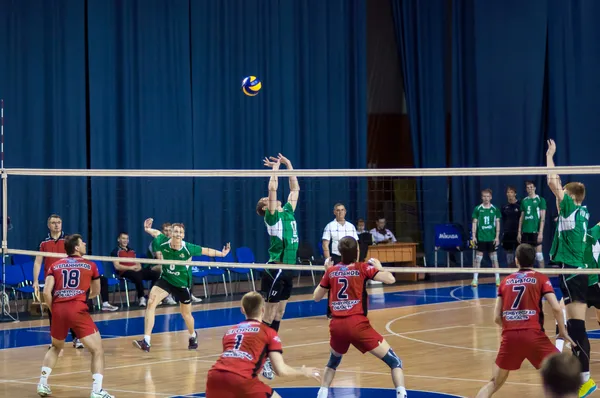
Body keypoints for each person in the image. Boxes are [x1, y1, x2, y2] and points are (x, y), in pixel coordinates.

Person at [312, 236, 407, 398]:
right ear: (357, 251)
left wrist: (326, 272)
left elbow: (316, 297)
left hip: (337, 326)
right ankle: (401, 394)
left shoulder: (331, 271)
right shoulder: (362, 268)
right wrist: (380, 268)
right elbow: (391, 279)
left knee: (333, 362)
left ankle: (322, 393)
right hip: (357, 325)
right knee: (395, 362)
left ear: (339, 252)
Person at [475, 244, 571, 398]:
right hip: (534, 335)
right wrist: (562, 331)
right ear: (534, 260)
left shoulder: (505, 282)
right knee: (560, 376)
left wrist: (512, 328)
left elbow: (496, 317)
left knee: (494, 382)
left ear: (516, 260)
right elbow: (557, 308)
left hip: (510, 337)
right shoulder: (541, 278)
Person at [133, 219, 230, 352]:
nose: (178, 234)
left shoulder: (188, 247)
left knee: (186, 315)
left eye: (181, 232)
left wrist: (222, 254)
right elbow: (156, 233)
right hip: (166, 279)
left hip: (182, 284)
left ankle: (193, 335)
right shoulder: (163, 242)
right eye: (176, 231)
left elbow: (206, 251)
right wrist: (147, 229)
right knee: (151, 302)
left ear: (183, 235)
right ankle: (146, 341)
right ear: (171, 233)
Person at [546, 138, 596, 397]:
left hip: (572, 271)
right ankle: (584, 379)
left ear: (571, 196)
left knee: (577, 327)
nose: (559, 196)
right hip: (582, 272)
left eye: (564, 194)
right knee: (575, 324)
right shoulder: (583, 213)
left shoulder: (569, 209)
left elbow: (552, 182)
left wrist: (550, 156)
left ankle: (585, 381)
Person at [36, 234, 114, 398]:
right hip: (77, 308)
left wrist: (54, 309)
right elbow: (96, 292)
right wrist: (80, 296)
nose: (85, 243)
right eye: (82, 242)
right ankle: (97, 390)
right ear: (77, 248)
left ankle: (42, 384)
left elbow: (46, 292)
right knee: (97, 350)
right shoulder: (90, 265)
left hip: (58, 309)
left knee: (55, 347)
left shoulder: (55, 265)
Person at [205, 291, 320, 398]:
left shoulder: (229, 332)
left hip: (214, 378)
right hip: (241, 379)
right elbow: (281, 370)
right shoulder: (268, 332)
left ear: (242, 310)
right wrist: (302, 372)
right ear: (263, 310)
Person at [33, 215, 117, 350]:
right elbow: (38, 262)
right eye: (54, 223)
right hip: (52, 279)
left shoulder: (68, 240)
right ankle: (55, 340)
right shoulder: (43, 243)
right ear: (48, 225)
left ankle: (76, 337)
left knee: (74, 309)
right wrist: (35, 280)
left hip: (67, 281)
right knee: (52, 311)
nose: (56, 225)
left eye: (59, 222)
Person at [255, 153, 299, 379]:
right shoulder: (271, 217)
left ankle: (270, 356)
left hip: (290, 269)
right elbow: (273, 189)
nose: (269, 198)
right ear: (265, 208)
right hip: (276, 268)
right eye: (266, 200)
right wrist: (275, 169)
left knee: (280, 312)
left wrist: (288, 165)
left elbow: (295, 189)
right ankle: (262, 357)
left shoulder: (288, 211)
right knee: (269, 314)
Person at [111, 232, 160, 307]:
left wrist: (139, 268)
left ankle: (152, 295)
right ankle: (141, 298)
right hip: (125, 271)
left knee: (156, 274)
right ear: (119, 239)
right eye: (123, 238)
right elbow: (117, 266)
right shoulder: (115, 251)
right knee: (137, 276)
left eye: (127, 239)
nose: (125, 240)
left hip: (136, 270)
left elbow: (138, 263)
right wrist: (130, 268)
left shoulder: (132, 250)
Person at [471, 189, 501, 287]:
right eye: (484, 196)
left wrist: (497, 237)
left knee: (494, 259)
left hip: (491, 238)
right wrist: (474, 236)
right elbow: (474, 223)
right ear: (481, 197)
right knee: (478, 259)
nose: (486, 198)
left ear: (491, 197)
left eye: (488, 196)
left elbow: (497, 223)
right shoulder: (478, 209)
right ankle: (475, 279)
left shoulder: (495, 209)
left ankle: (497, 279)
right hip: (481, 238)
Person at [518, 181, 547, 268]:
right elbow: (521, 217)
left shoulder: (540, 200)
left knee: (538, 255)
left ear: (535, 188)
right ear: (526, 189)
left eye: (531, 187)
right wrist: (519, 232)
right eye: (528, 187)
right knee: (527, 256)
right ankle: (529, 276)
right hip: (525, 231)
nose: (530, 189)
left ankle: (543, 275)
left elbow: (542, 218)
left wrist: (540, 232)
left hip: (535, 231)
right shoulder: (524, 201)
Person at [501, 186, 521, 266]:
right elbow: (503, 220)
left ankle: (519, 271)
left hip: (517, 233)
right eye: (508, 192)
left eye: (512, 192)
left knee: (518, 252)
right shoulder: (504, 206)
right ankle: (510, 271)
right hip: (508, 233)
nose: (510, 194)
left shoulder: (520, 205)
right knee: (509, 253)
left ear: (515, 194)